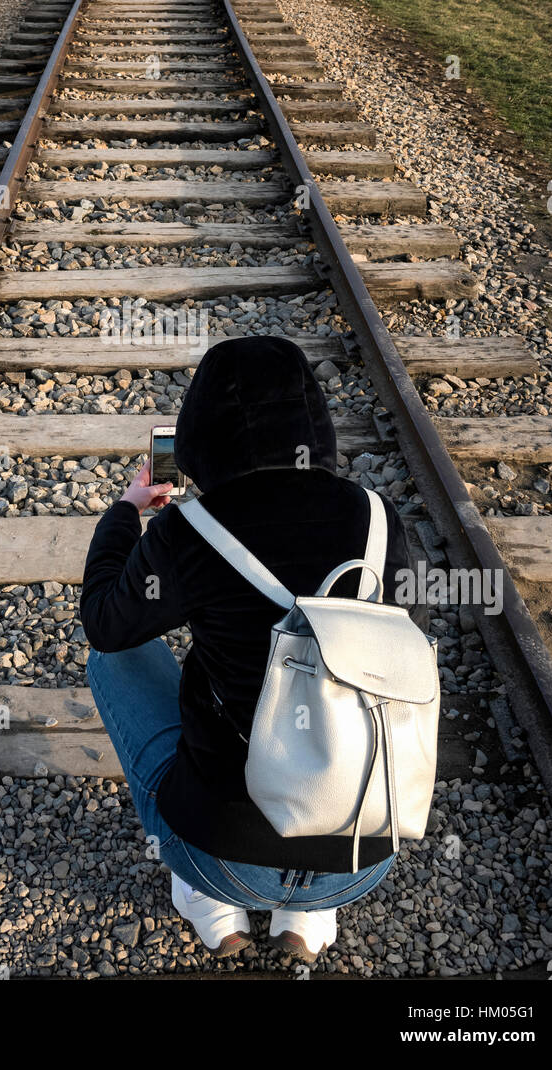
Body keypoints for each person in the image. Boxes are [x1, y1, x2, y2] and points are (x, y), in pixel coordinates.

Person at [81, 336, 421, 961]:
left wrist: (129, 511)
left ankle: (211, 906)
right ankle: (309, 919)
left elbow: (105, 623)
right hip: (363, 855)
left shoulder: (189, 528)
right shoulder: (376, 518)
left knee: (113, 658)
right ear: (314, 422)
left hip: (222, 859)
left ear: (197, 436)